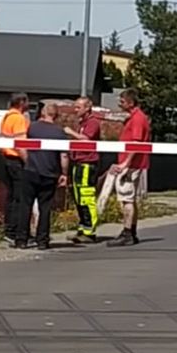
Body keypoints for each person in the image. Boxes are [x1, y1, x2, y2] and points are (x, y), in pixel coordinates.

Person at [15, 102, 69, 250]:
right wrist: (64, 174)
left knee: (25, 205)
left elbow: (20, 146)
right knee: (45, 208)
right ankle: (42, 241)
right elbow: (64, 156)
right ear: (56, 115)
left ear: (43, 113)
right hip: (50, 174)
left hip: (31, 171)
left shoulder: (32, 128)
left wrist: (28, 161)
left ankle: (21, 240)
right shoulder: (60, 133)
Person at [106, 89, 151, 247]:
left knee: (126, 199)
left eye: (122, 101)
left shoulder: (137, 119)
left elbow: (136, 143)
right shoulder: (135, 117)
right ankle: (131, 231)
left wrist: (126, 163)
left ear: (131, 102)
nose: (120, 104)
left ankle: (127, 233)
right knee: (130, 199)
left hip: (132, 165)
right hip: (134, 164)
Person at [63, 97, 103, 243]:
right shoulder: (82, 122)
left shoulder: (93, 122)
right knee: (78, 197)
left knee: (86, 197)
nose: (75, 110)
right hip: (78, 163)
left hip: (87, 163)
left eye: (78, 107)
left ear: (87, 108)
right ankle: (82, 228)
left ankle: (90, 231)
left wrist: (70, 132)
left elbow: (86, 139)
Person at [0, 93, 30, 244]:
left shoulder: (7, 117)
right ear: (22, 102)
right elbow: (20, 143)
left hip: (7, 159)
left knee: (11, 197)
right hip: (16, 161)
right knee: (20, 197)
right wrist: (28, 162)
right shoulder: (18, 118)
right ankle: (17, 231)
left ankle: (9, 230)